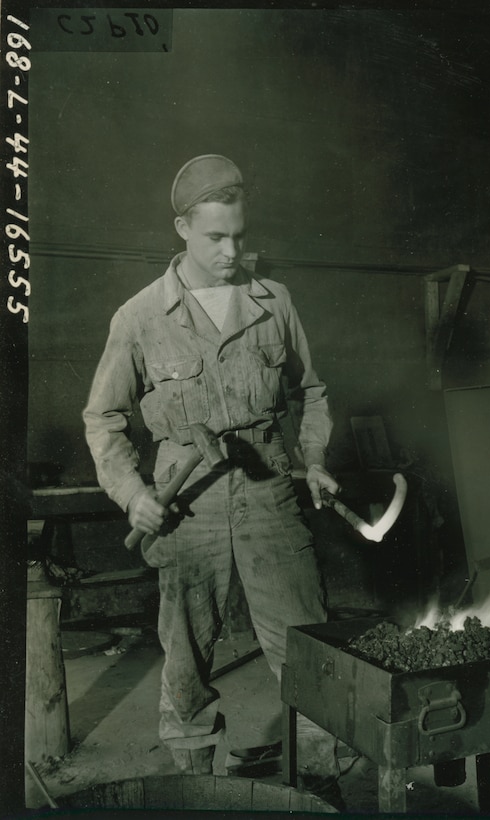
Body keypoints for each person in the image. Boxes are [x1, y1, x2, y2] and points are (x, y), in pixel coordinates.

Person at [83, 154, 343, 805]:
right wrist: (134, 493)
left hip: (270, 494)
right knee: (188, 660)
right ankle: (191, 787)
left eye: (237, 236)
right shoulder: (140, 318)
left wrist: (313, 458)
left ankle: (320, 784)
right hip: (186, 503)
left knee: (308, 649)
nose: (230, 252)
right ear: (181, 229)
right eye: (213, 238)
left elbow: (311, 392)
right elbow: (103, 418)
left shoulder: (272, 303)